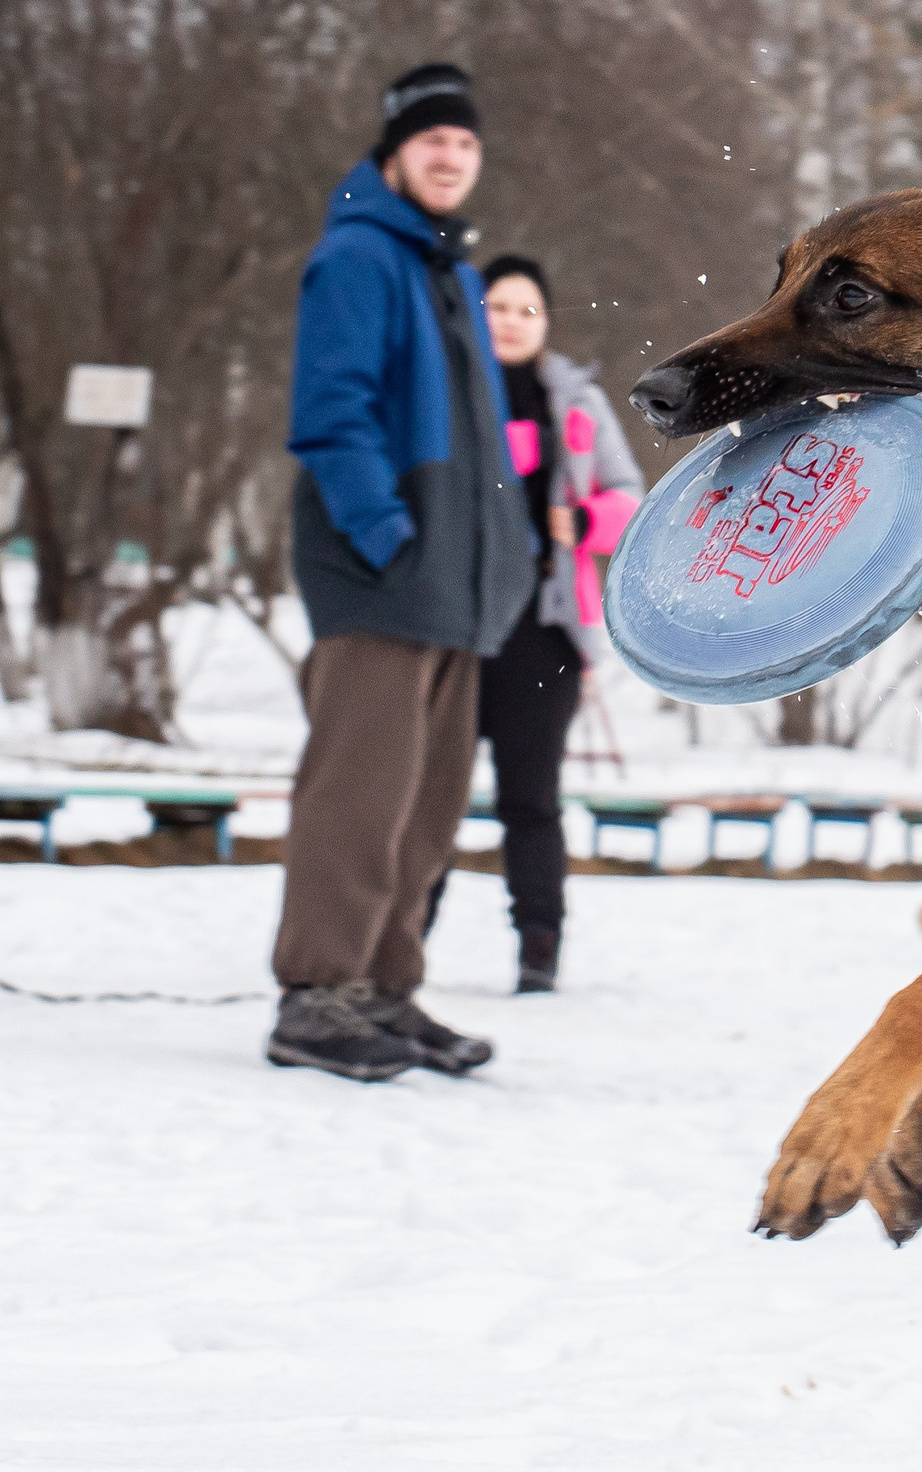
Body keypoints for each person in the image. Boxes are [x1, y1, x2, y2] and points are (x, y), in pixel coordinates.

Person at [267, 64, 532, 1081]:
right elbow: (331, 414)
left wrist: (495, 559)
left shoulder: (448, 268)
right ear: (393, 152)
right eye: (432, 142)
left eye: (464, 144)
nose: (450, 157)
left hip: (457, 587)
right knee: (357, 797)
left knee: (425, 804)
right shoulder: (359, 259)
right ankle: (316, 992)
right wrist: (385, 534)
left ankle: (381, 986)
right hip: (385, 575)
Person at [470, 254, 643, 992]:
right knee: (428, 796)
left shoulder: (577, 402)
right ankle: (398, 938)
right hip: (455, 624)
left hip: (545, 629)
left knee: (530, 799)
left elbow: (628, 497)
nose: (510, 322)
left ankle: (539, 944)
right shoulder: (447, 392)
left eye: (525, 310)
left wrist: (583, 518)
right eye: (496, 308)